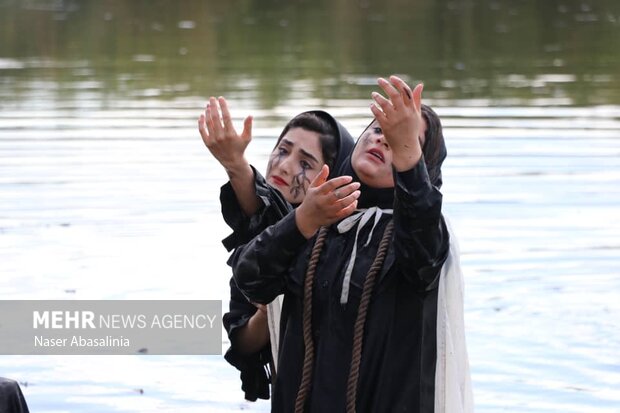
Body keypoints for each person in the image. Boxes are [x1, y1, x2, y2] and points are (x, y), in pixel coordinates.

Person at [231, 76, 473, 412]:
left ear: (421, 166)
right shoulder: (317, 218)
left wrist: (406, 153)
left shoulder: (425, 236)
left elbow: (421, 249)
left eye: (402, 138)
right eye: (376, 128)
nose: (383, 138)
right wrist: (302, 221)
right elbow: (250, 281)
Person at [198, 98, 356, 401]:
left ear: (333, 177)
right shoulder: (260, 242)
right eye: (282, 150)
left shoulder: (349, 242)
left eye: (305, 163)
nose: (284, 165)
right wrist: (270, 308)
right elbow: (243, 343)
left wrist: (237, 166)